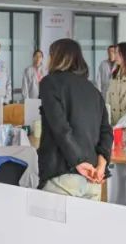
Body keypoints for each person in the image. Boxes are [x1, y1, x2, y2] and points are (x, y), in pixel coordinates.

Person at [38, 38, 112, 199]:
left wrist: (78, 162)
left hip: (63, 177)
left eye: (50, 55)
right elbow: (106, 132)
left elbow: (60, 128)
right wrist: (101, 165)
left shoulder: (50, 83)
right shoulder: (93, 90)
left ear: (57, 57)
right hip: (93, 179)